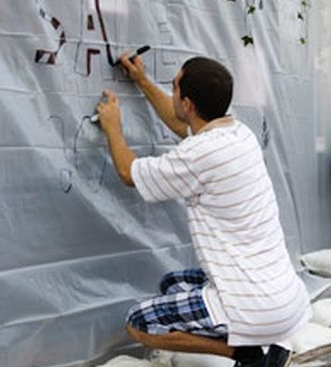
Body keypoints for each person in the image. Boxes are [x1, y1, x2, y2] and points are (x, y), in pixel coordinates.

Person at [95, 53, 309, 366]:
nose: (172, 94)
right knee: (173, 284)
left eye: (175, 89)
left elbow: (130, 173)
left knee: (139, 321)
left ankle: (248, 354)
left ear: (189, 104)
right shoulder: (238, 134)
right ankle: (273, 348)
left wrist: (113, 126)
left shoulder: (199, 154)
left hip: (255, 306)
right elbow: (178, 118)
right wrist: (141, 81)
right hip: (283, 297)